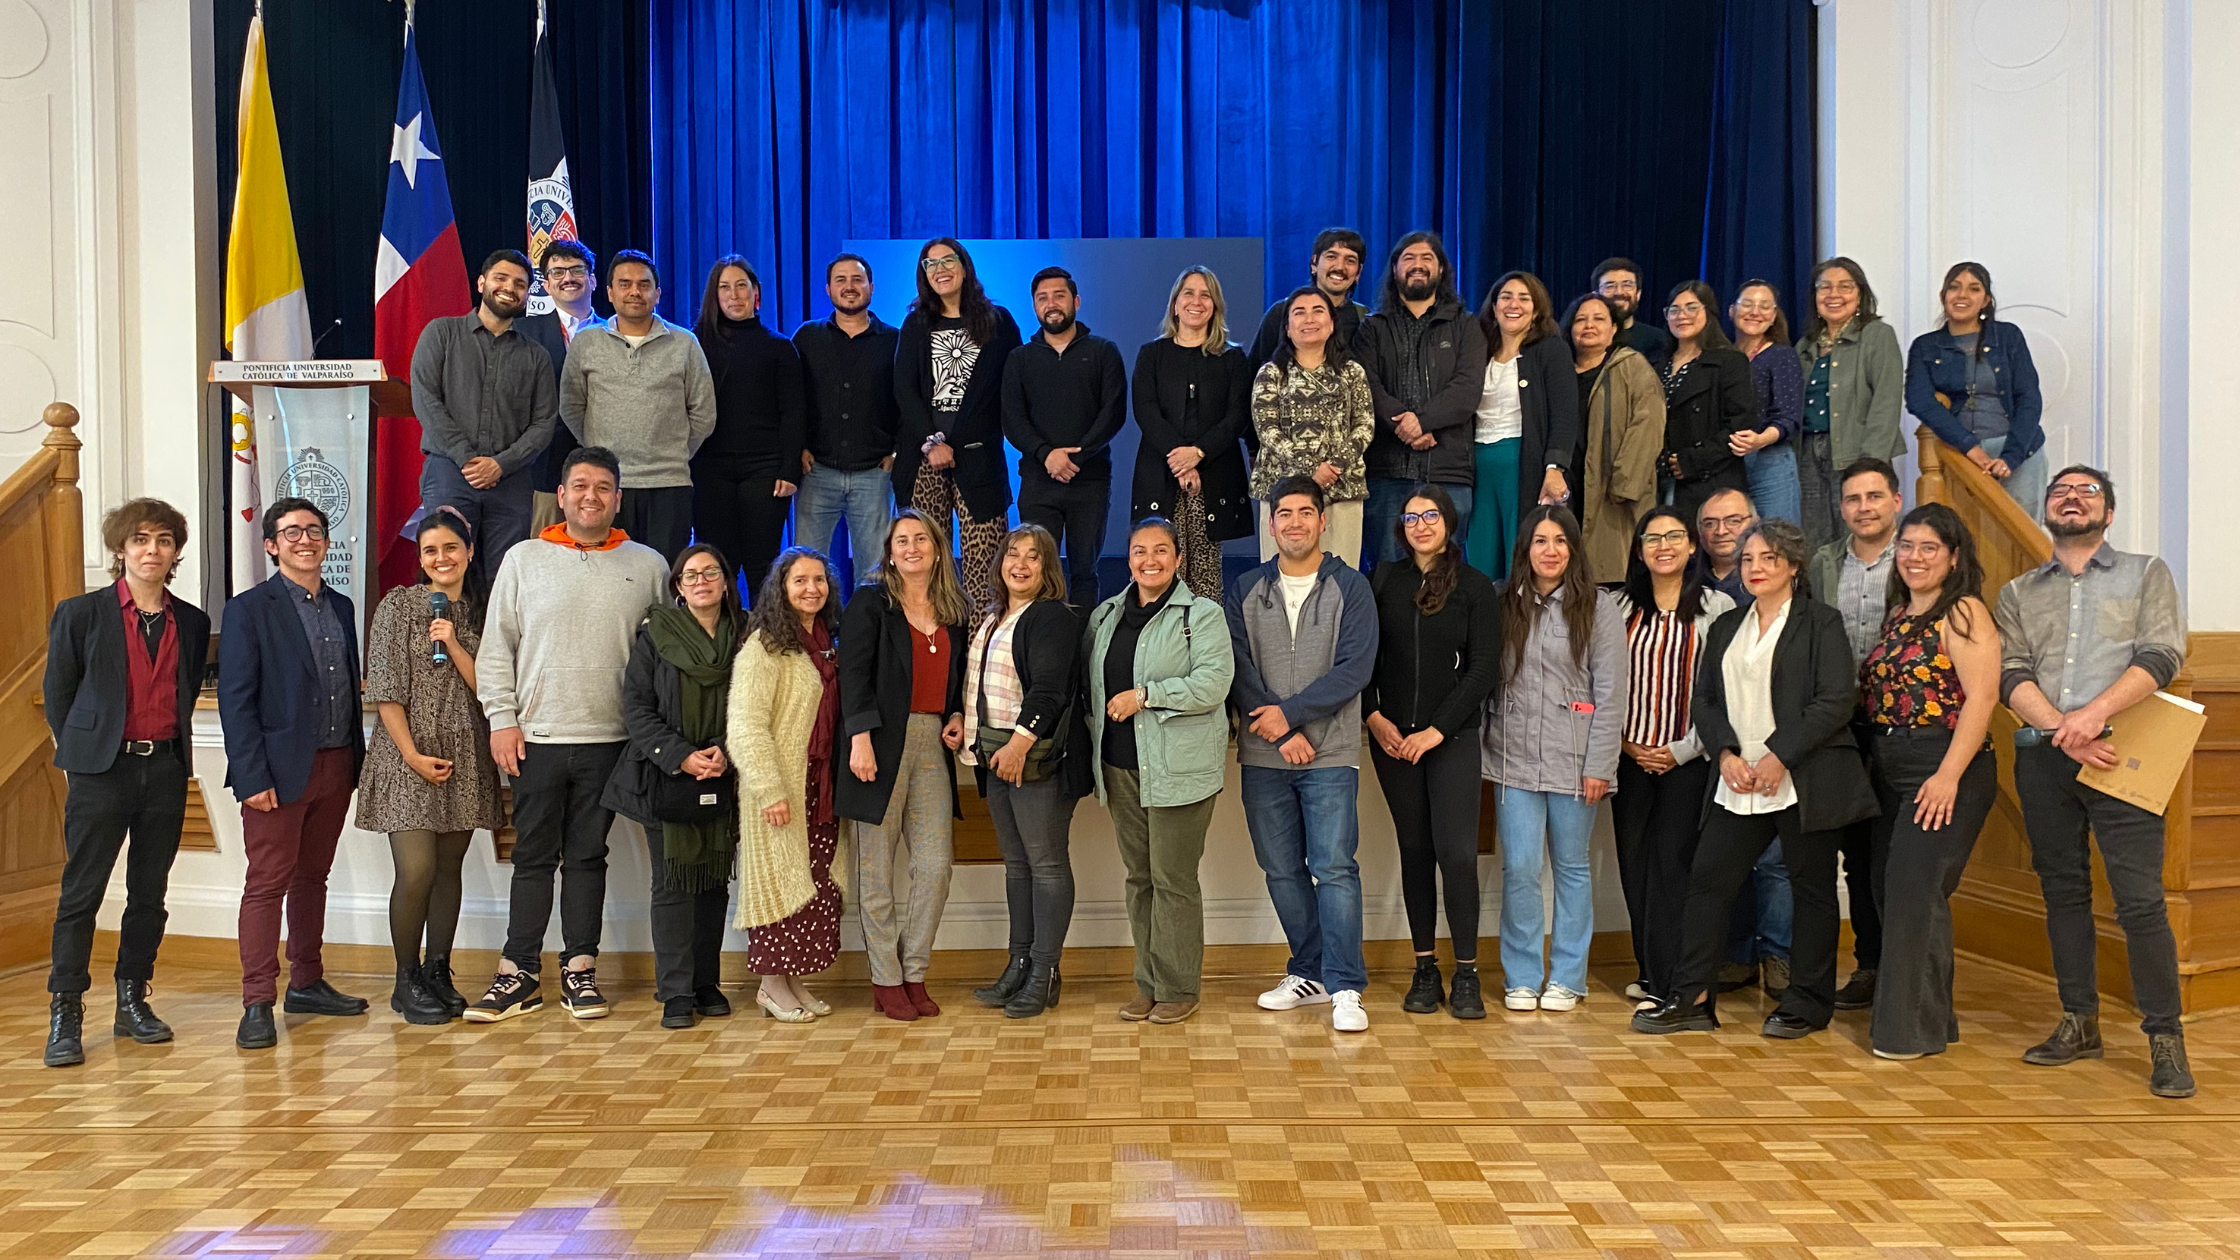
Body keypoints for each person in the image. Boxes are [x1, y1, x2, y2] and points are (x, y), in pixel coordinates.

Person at [1631, 519, 1878, 1040]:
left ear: (1792, 566)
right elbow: (1704, 700)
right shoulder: (1727, 625)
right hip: (1737, 779)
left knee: (1810, 889)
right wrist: (1722, 753)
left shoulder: (1821, 622)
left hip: (1802, 778)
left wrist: (1779, 756)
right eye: (1748, 560)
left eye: (1768, 559)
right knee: (1707, 881)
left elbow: (1836, 699)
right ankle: (1693, 999)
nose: (1755, 568)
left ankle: (1807, 1004)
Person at [1995, 465, 2194, 1097]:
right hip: (2045, 758)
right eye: (2060, 491)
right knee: (2063, 893)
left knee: (2140, 902)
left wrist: (2092, 717)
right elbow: (2010, 672)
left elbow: (2162, 655)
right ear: (2047, 510)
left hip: (2125, 753)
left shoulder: (2146, 573)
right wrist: (2062, 727)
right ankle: (2079, 1023)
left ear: (2108, 514)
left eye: (2087, 493)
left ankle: (2165, 1039)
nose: (2071, 499)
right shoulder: (2019, 592)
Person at [469, 447, 670, 1023]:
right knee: (532, 855)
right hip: (537, 735)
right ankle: (518, 973)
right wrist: (501, 719)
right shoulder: (524, 559)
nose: (591, 496)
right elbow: (496, 647)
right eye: (579, 485)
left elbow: (661, 657)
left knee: (588, 856)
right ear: (561, 495)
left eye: (603, 487)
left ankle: (580, 969)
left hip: (612, 740)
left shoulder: (649, 565)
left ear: (618, 499)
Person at [42, 499, 210, 1068]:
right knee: (81, 894)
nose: (152, 551)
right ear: (121, 549)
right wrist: (87, 751)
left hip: (164, 768)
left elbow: (185, 688)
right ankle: (66, 1009)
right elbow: (60, 694)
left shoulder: (191, 620)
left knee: (148, 894)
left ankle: (133, 999)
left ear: (175, 552)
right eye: (140, 540)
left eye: (163, 540)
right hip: (100, 771)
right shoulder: (80, 613)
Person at [1226, 476, 1380, 1033]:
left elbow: (1355, 668)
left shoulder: (1351, 588)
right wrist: (1277, 728)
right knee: (1281, 870)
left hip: (1331, 752)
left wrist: (1292, 718)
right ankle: (1307, 972)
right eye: (1283, 513)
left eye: (1304, 513)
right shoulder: (1244, 587)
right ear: (1271, 525)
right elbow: (1237, 666)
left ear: (1322, 521)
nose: (1294, 522)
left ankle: (1345, 986)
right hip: (1264, 755)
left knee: (1335, 869)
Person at [218, 498, 370, 1050]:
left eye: (314, 530)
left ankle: (306, 981)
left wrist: (353, 764)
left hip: (335, 765)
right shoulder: (248, 609)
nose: (305, 539)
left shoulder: (343, 606)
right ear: (271, 545)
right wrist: (252, 775)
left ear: (326, 542)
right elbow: (236, 702)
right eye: (291, 532)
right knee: (266, 884)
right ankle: (257, 1000)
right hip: (276, 775)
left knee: (312, 879)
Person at [1860, 504, 2000, 1060]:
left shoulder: (1964, 612)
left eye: (1929, 548)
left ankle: (1907, 1034)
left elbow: (1983, 698)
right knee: (1892, 889)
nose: (1915, 557)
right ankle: (1934, 1019)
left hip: (1943, 764)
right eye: (1908, 546)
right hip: (1891, 762)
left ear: (1954, 557)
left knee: (1915, 893)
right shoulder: (1898, 615)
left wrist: (1947, 776)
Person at [353, 510, 504, 1026]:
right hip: (406, 754)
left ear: (468, 551)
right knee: (416, 869)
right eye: (430, 551)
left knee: (447, 870)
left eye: (450, 548)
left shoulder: (486, 612)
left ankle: (440, 970)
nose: (441, 559)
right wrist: (412, 755)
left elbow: (491, 689)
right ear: (420, 559)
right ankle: (406, 977)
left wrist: (455, 642)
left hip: (466, 754)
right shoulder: (399, 606)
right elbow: (384, 689)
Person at [1086, 518, 1235, 1024]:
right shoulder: (1105, 615)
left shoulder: (1204, 615)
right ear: (1127, 558)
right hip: (1121, 768)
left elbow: (1214, 683)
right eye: (1138, 551)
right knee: (1140, 878)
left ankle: (1178, 987)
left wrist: (1147, 696)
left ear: (1177, 557)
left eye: (1161, 550)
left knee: (1172, 879)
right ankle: (1147, 985)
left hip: (1180, 771)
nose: (1149, 560)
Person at [1482, 506, 1625, 1012]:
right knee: (1519, 868)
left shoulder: (1599, 607)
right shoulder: (1501, 602)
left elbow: (1609, 693)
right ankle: (1521, 977)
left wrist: (1599, 766)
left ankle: (1568, 977)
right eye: (1540, 541)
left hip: (1575, 761)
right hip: (1511, 761)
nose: (1550, 551)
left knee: (1571, 868)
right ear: (1526, 549)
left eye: (1560, 541)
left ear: (1573, 549)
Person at [1364, 486, 1500, 1019]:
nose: (1421, 524)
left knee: (1458, 855)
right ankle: (1425, 969)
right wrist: (1373, 716)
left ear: (1449, 522)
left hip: (1452, 741)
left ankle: (1466, 973)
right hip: (1392, 740)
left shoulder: (1474, 586)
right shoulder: (1387, 581)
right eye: (1412, 516)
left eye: (1432, 515)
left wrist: (1437, 730)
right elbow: (1366, 657)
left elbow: (1483, 669)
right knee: (1415, 852)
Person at [602, 544, 747, 1030]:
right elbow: (636, 708)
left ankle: (707, 983)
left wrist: (726, 750)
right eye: (690, 575)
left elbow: (755, 701)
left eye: (711, 572)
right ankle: (676, 992)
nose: (701, 580)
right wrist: (682, 755)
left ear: (726, 581)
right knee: (673, 884)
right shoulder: (655, 635)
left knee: (713, 881)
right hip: (664, 776)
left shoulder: (747, 635)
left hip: (726, 773)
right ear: (678, 588)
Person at [838, 509, 968, 1022]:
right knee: (875, 874)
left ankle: (913, 971)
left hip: (932, 745)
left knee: (935, 867)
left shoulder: (953, 609)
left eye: (921, 539)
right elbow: (853, 674)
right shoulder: (871, 602)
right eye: (901, 540)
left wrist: (956, 713)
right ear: (889, 551)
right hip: (876, 746)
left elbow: (956, 679)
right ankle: (885, 979)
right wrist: (860, 739)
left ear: (937, 548)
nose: (911, 547)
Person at [960, 526, 1089, 1018]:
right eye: (1012, 554)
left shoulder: (1051, 616)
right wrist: (960, 720)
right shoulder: (993, 617)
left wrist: (1019, 743)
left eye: (1033, 558)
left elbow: (1051, 689)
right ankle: (1018, 965)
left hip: (1034, 760)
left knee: (1047, 864)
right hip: (993, 757)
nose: (1020, 563)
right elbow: (983, 685)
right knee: (1017, 866)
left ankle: (1045, 971)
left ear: (1046, 569)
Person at [1611, 507, 1734, 1008]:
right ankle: (1649, 968)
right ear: (1639, 550)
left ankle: (1671, 982)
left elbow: (1724, 691)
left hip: (1689, 759)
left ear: (1691, 547)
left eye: (1674, 536)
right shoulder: (1617, 607)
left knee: (1674, 869)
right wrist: (1623, 744)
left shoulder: (1718, 607)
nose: (1664, 545)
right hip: (1628, 757)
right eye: (1652, 538)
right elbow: (1600, 681)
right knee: (1634, 865)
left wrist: (1682, 750)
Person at [727, 547, 848, 1024]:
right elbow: (745, 724)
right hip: (780, 791)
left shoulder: (824, 642)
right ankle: (771, 986)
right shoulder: (765, 646)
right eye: (800, 581)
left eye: (819, 580)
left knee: (814, 886)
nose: (811, 589)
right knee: (779, 883)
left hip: (821, 790)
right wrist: (769, 789)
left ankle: (793, 980)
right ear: (781, 587)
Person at [1806, 457, 1904, 1009]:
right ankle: (1870, 964)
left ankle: (1903, 964)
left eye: (1873, 496)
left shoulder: (1916, 559)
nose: (1863, 508)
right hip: (1841, 726)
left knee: (1899, 852)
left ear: (1895, 500)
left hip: (1904, 725)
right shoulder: (1824, 564)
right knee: (1857, 852)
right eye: (1852, 500)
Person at [558, 250, 716, 560]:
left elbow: (703, 413)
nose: (634, 292)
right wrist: (597, 449)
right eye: (625, 283)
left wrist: (674, 451)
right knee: (609, 576)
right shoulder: (586, 342)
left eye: (644, 285)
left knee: (665, 576)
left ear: (657, 293)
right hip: (606, 484)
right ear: (609, 292)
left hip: (669, 483)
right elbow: (571, 406)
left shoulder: (684, 343)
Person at [410, 249, 558, 577]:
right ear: (481, 282)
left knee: (505, 578)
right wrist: (467, 459)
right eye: (501, 278)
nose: (510, 287)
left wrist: (500, 465)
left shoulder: (536, 356)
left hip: (512, 480)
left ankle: (494, 633)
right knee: (447, 570)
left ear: (526, 296)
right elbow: (426, 402)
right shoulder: (441, 334)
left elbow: (544, 422)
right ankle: (445, 631)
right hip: (449, 472)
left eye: (520, 284)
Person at [894, 238, 1023, 609]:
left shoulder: (998, 321)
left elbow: (1012, 387)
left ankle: (979, 653)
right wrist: (932, 442)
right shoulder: (915, 323)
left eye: (948, 261)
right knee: (924, 566)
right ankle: (933, 652)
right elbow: (904, 389)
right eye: (930, 264)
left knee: (985, 569)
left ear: (964, 267)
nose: (940, 269)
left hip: (979, 460)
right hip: (922, 460)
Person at [1355, 231, 1489, 568]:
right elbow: (1367, 386)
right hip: (1386, 472)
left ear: (1441, 269)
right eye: (1409, 259)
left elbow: (1467, 389)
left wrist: (1423, 422)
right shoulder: (1373, 327)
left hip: (1448, 471)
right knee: (1386, 573)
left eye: (1427, 258)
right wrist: (1406, 424)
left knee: (1446, 569)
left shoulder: (1465, 325)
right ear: (1395, 269)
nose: (1418, 265)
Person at [1002, 266, 1128, 605]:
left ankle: (1084, 652)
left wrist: (1075, 457)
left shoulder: (1103, 352)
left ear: (1076, 301)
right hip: (1038, 482)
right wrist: (1047, 455)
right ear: (1034, 306)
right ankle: (1041, 648)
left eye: (1059, 296)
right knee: (1036, 570)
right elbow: (1013, 420)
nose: (1051, 304)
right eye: (1042, 298)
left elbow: (1113, 414)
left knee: (1085, 571)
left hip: (1090, 481)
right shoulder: (1019, 359)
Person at [1130, 267, 1254, 599]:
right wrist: (1181, 461)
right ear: (1174, 304)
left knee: (1204, 576)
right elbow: (1146, 410)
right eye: (1188, 293)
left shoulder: (1232, 358)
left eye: (1205, 294)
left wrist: (1198, 454)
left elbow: (1236, 417)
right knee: (1157, 568)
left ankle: (1203, 646)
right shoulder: (1151, 355)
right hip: (1161, 474)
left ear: (1215, 306)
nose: (1196, 301)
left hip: (1213, 478)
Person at [692, 256, 806, 596]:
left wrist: (789, 469)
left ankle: (764, 640)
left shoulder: (779, 347)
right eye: (724, 287)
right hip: (708, 468)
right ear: (714, 295)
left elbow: (793, 413)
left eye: (742, 286)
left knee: (762, 563)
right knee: (717, 562)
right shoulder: (691, 344)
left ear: (756, 293)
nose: (734, 294)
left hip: (766, 469)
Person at [1906, 262, 2048, 512]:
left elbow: (2029, 398)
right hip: (1959, 453)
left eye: (1973, 289)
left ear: (1986, 301)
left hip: (2017, 450)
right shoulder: (1925, 346)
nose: (1962, 295)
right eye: (1954, 287)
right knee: (1960, 534)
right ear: (1943, 296)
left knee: (2023, 536)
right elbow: (1919, 400)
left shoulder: (2007, 336)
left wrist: (2010, 458)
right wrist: (1968, 446)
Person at [1249, 287, 1375, 565]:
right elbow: (1268, 430)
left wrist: (1334, 468)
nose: (1309, 319)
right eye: (1299, 313)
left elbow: (1364, 425)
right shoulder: (1271, 374)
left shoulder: (1352, 372)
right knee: (1280, 580)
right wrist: (1312, 470)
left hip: (1342, 489)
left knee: (1340, 580)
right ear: (1287, 328)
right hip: (1282, 491)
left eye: (1318, 311)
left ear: (1331, 324)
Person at [793, 253, 900, 582]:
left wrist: (896, 450)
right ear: (828, 289)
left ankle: (866, 634)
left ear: (871, 286)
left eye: (857, 280)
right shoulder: (806, 338)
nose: (849, 287)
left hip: (874, 474)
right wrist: (798, 447)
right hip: (817, 472)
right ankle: (813, 634)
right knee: (806, 569)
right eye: (841, 280)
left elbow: (909, 400)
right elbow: (793, 400)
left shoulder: (895, 341)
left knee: (876, 571)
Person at [1467, 272, 1577, 581]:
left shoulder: (1551, 350)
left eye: (1524, 298)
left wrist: (1555, 468)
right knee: (1479, 557)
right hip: (1476, 465)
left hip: (1522, 463)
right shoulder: (1478, 350)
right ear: (1493, 306)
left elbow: (1565, 415)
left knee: (1522, 552)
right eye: (1506, 297)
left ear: (1537, 309)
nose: (1513, 304)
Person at [1796, 257, 1905, 550]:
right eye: (1825, 287)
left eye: (1845, 287)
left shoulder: (1877, 335)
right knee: (1815, 541)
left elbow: (1886, 401)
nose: (1834, 295)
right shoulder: (1805, 345)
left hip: (1857, 452)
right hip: (1809, 454)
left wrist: (1872, 464)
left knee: (1860, 536)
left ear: (1860, 294)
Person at [1568, 293, 1665, 585]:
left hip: (1615, 489)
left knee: (1613, 573)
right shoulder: (1560, 371)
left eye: (1599, 319)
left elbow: (1648, 424)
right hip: (1569, 485)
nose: (1589, 325)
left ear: (1614, 328)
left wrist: (1624, 482)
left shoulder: (1631, 366)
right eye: (1580, 319)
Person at [1658, 281, 1760, 524]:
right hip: (1662, 480)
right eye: (1674, 310)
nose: (1682, 316)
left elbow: (1740, 425)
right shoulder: (1656, 364)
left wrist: (1693, 460)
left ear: (1709, 312)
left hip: (1713, 478)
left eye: (1691, 308)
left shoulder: (1730, 361)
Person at [522, 238, 597, 532]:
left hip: (602, 468)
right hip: (542, 473)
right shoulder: (523, 332)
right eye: (557, 272)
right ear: (547, 285)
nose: (568, 278)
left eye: (576, 270)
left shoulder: (614, 332)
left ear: (591, 280)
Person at [1729, 281, 1804, 528]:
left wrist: (1759, 440)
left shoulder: (1782, 355)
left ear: (1773, 316)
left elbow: (1790, 415)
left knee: (1778, 540)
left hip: (1769, 461)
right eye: (1747, 304)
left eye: (1764, 306)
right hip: (1728, 463)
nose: (1755, 312)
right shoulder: (1722, 357)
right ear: (1732, 311)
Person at [1246, 228, 1369, 369]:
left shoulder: (1364, 319)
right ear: (1314, 264)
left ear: (1358, 272)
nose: (1340, 266)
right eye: (1331, 257)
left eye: (1350, 260)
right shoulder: (1281, 313)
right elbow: (1253, 373)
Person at [1592, 257, 1676, 367]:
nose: (1619, 292)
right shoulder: (1586, 338)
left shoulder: (1659, 341)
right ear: (1595, 295)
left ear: (1638, 294)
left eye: (1627, 285)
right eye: (1609, 286)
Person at [1696, 487, 1755, 606]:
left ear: (1755, 523)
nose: (1721, 531)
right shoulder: (1684, 578)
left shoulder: (1771, 576)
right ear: (1699, 532)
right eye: (1710, 524)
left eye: (1733, 521)